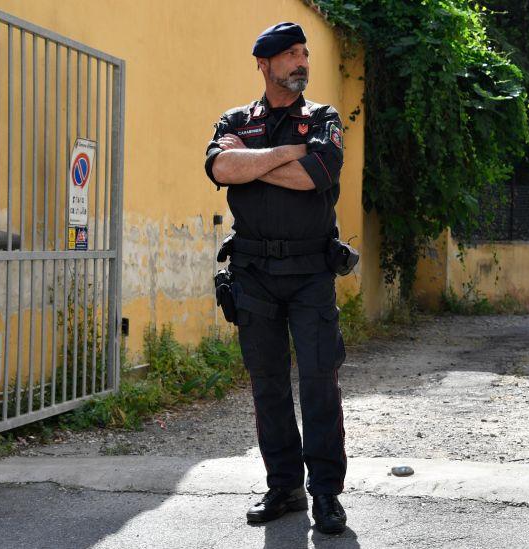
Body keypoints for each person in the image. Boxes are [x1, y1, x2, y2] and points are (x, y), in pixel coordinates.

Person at [204, 21, 348, 534]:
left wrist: (253, 162)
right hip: (254, 272)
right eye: (290, 54)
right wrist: (289, 153)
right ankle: (284, 486)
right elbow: (220, 169)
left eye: (304, 53)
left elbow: (319, 174)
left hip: (311, 271)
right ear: (264, 64)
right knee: (267, 384)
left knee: (318, 383)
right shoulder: (235, 118)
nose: (302, 61)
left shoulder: (323, 117)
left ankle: (326, 493)